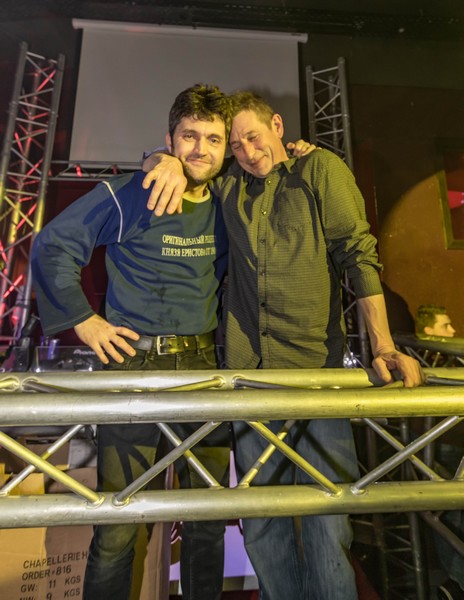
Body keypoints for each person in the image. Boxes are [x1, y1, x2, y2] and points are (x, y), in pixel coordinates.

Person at [142, 90, 423, 600]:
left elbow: (358, 255)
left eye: (254, 137)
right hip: (251, 382)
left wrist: (383, 346)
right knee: (262, 528)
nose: (248, 152)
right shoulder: (228, 185)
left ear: (277, 125)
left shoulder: (320, 170)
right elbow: (189, 162)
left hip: (317, 378)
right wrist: (159, 159)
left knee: (327, 525)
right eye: (236, 145)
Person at [30, 84, 233, 600]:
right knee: (119, 524)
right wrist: (84, 321)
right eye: (189, 136)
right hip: (134, 367)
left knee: (208, 519)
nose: (200, 149)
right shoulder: (132, 193)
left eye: (213, 138)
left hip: (204, 367)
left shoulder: (231, 202)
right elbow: (52, 245)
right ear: (170, 139)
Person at [414, 305, 464, 600]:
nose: (453, 331)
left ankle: (454, 583)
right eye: (446, 325)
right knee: (449, 515)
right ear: (428, 331)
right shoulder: (431, 362)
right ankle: (455, 582)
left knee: (450, 515)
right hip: (445, 444)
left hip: (448, 443)